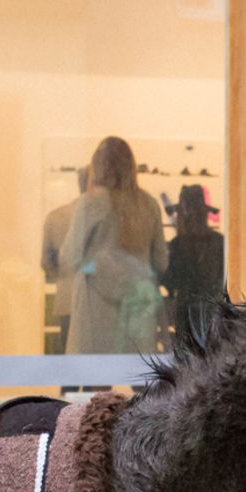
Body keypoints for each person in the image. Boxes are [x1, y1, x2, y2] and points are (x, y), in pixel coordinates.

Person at [60, 136, 167, 354]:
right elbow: (161, 261)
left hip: (95, 306)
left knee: (97, 378)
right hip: (137, 307)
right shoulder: (148, 204)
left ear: (97, 166)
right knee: (139, 375)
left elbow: (69, 257)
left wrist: (94, 263)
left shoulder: (90, 203)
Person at [162, 183, 226, 337]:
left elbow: (170, 281)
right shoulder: (220, 242)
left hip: (187, 316)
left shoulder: (178, 245)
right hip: (213, 314)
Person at [41, 165, 89, 353]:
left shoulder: (56, 216)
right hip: (99, 303)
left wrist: (64, 275)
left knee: (68, 363)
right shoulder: (109, 218)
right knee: (94, 369)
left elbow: (46, 263)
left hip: (67, 296)